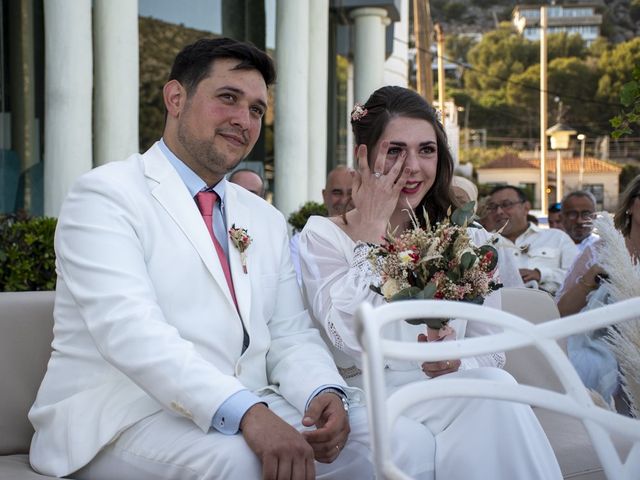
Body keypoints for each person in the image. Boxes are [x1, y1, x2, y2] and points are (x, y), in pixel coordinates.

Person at [28, 38, 432, 480]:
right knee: (244, 464)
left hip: (251, 402)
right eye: (228, 99)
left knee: (401, 444)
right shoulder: (106, 195)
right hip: (122, 417)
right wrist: (247, 413)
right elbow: (130, 332)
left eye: (257, 110)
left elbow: (289, 333)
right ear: (176, 98)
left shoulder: (263, 216)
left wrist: (323, 391)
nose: (244, 120)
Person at [299, 86, 561, 479]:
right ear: (363, 156)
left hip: (451, 387)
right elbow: (349, 336)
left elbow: (492, 349)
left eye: (426, 150)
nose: (413, 167)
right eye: (394, 151)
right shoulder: (322, 235)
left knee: (493, 384)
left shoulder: (467, 239)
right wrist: (370, 230)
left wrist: (458, 358)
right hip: (370, 395)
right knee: (494, 392)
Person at [555, 176, 640, 407]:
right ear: (631, 206)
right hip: (598, 342)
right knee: (588, 363)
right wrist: (591, 278)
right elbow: (561, 311)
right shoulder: (599, 251)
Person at [487, 185, 578, 295]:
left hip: (552, 309)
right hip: (499, 310)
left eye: (506, 204)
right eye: (492, 207)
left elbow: (579, 276)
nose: (499, 211)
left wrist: (541, 275)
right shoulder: (483, 244)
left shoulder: (557, 238)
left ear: (526, 207)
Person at [290, 165, 354, 284]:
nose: (344, 200)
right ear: (325, 196)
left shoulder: (373, 238)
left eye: (351, 193)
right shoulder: (300, 242)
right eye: (337, 192)